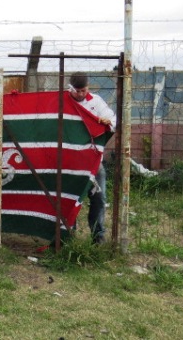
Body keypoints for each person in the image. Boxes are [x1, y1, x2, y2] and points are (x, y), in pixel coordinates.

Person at [69, 72, 116, 244]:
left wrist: (107, 121)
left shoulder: (95, 101)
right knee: (68, 197)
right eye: (77, 91)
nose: (81, 94)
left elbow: (112, 119)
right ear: (71, 88)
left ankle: (98, 237)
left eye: (84, 90)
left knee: (99, 199)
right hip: (70, 161)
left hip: (94, 161)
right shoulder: (65, 102)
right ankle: (68, 233)